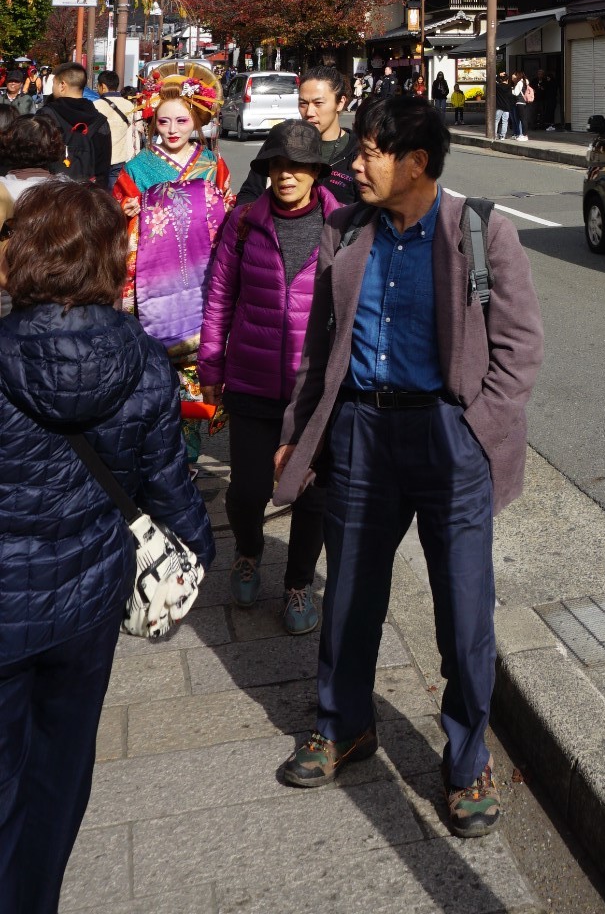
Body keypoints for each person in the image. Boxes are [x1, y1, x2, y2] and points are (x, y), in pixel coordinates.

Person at [272, 94, 544, 835]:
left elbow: (519, 351)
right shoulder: (344, 230)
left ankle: (465, 761)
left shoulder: (482, 231)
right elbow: (319, 348)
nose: (352, 165)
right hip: (360, 432)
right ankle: (345, 725)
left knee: (463, 612)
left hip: (447, 439)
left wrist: (477, 429)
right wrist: (301, 428)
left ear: (415, 162)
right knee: (351, 593)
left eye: (368, 153)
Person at [0, 183, 214, 913]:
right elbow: (168, 487)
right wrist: (199, 553)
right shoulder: (144, 361)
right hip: (89, 597)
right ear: (111, 262)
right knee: (60, 774)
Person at [200, 121, 344, 636]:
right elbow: (218, 300)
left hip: (314, 392)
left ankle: (298, 582)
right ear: (266, 170)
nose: (287, 176)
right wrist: (211, 366)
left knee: (314, 496)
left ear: (316, 173)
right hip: (252, 381)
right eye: (278, 166)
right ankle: (247, 551)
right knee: (247, 491)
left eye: (299, 166)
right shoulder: (243, 224)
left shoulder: (342, 225)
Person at [113, 67, 234, 457]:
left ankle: (191, 453)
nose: (172, 129)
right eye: (163, 121)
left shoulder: (212, 163)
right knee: (155, 366)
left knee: (199, 364)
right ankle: (160, 450)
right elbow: (116, 216)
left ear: (198, 119)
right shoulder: (137, 168)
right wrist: (126, 211)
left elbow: (225, 211)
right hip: (152, 276)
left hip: (203, 273)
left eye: (182, 120)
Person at [234, 61, 358, 210]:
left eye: (318, 103)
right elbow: (249, 194)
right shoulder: (281, 141)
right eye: (303, 103)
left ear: (340, 103)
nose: (309, 112)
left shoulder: (358, 153)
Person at [41, 62, 112, 189]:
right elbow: (103, 168)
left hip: (53, 193)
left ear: (62, 85)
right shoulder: (100, 121)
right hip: (87, 195)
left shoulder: (46, 115)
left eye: (53, 84)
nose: (52, 89)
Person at [93, 68, 141, 183]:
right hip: (120, 158)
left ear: (103, 86)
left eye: (97, 86)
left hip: (99, 159)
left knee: (100, 193)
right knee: (115, 194)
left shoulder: (95, 105)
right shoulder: (129, 105)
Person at [494, 70, 514, 140]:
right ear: (507, 80)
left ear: (501, 79)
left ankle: (495, 134)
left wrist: (498, 75)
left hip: (499, 106)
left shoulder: (498, 87)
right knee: (505, 121)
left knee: (496, 121)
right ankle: (503, 136)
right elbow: (511, 97)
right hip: (507, 107)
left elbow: (493, 80)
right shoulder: (509, 88)